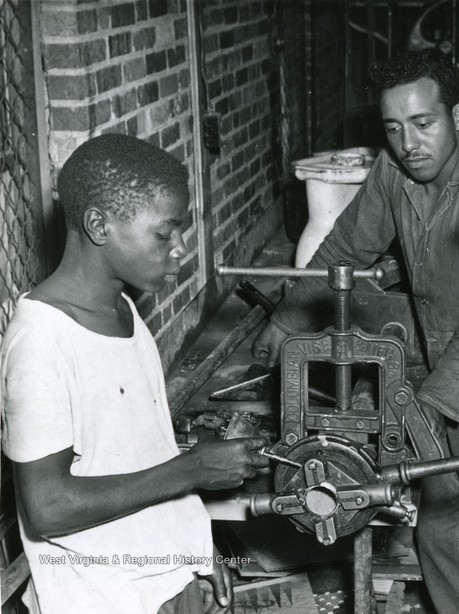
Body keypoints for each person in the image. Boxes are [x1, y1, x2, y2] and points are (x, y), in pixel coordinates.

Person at [251, 50, 459, 613]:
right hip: (438, 375)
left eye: (423, 123)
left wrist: (428, 403)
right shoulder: (395, 171)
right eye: (393, 128)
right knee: (443, 538)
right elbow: (341, 250)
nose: (408, 143)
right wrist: (287, 317)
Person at [0, 133, 272, 614]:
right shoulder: (41, 341)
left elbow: (148, 453)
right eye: (165, 233)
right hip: (103, 595)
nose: (180, 248)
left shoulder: (123, 312)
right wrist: (195, 469)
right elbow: (49, 508)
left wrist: (194, 542)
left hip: (164, 576)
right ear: (99, 225)